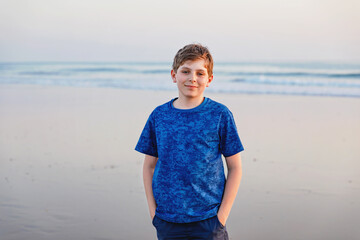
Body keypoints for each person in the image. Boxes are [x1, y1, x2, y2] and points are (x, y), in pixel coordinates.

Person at [135, 43, 244, 240]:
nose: (192, 78)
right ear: (173, 75)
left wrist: (221, 217)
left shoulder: (220, 114)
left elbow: (235, 168)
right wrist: (154, 213)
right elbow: (148, 166)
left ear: (209, 79)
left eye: (200, 73)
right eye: (185, 71)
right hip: (167, 220)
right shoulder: (159, 116)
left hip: (209, 221)